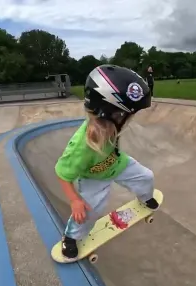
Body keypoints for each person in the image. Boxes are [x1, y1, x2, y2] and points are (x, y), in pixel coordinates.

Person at [55, 64, 160, 260]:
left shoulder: (109, 124)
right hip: (94, 177)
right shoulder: (81, 146)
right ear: (111, 113)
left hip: (117, 164)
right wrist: (74, 200)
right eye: (125, 115)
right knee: (88, 211)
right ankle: (70, 237)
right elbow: (62, 173)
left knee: (146, 177)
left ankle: (145, 197)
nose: (128, 119)